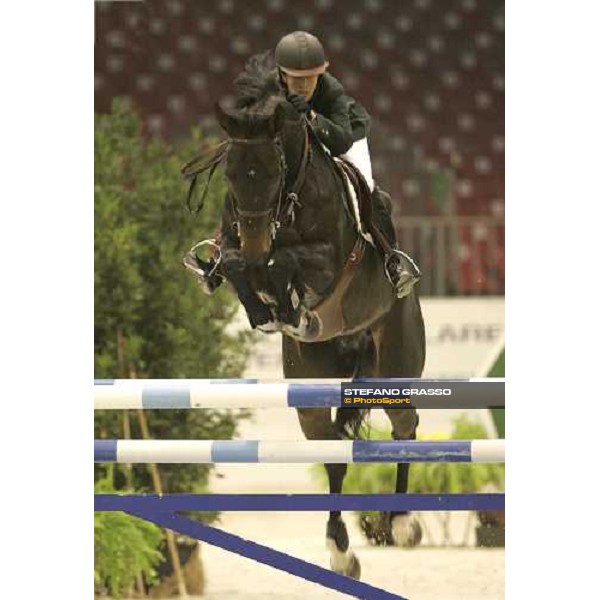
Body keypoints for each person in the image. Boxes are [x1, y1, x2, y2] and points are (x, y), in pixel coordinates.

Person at [274, 31, 420, 298]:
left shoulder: (331, 90)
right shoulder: (271, 88)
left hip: (345, 134)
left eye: (311, 77)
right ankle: (219, 252)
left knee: (364, 185)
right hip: (298, 140)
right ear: (282, 75)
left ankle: (393, 260)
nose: (305, 85)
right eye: (297, 79)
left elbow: (340, 141)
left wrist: (311, 115)